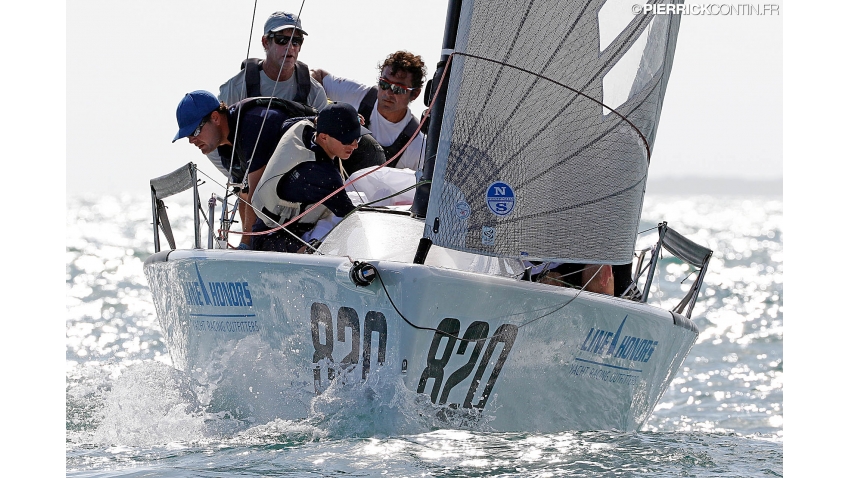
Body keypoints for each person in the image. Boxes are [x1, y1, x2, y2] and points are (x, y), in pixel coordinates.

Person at [173, 90, 316, 248]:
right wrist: (245, 244)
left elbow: (255, 193)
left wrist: (247, 244)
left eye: (195, 132)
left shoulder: (253, 124)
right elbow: (244, 194)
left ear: (215, 118)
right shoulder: (226, 147)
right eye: (188, 136)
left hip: (324, 183)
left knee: (264, 242)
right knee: (261, 240)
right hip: (296, 200)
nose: (192, 140)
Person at [251, 102, 371, 253]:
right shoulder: (322, 174)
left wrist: (342, 120)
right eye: (347, 140)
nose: (355, 145)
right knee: (321, 247)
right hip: (271, 237)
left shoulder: (302, 127)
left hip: (279, 224)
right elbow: (352, 218)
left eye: (357, 137)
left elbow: (289, 123)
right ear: (324, 137)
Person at [311, 51, 427, 171]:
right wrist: (320, 115)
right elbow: (317, 76)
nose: (388, 93)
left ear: (415, 94)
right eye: (384, 84)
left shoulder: (417, 146)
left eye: (398, 89)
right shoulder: (361, 96)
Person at [218, 11, 327, 110]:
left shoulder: (315, 92)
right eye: (282, 40)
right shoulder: (236, 88)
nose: (290, 47)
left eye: (296, 41)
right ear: (265, 42)